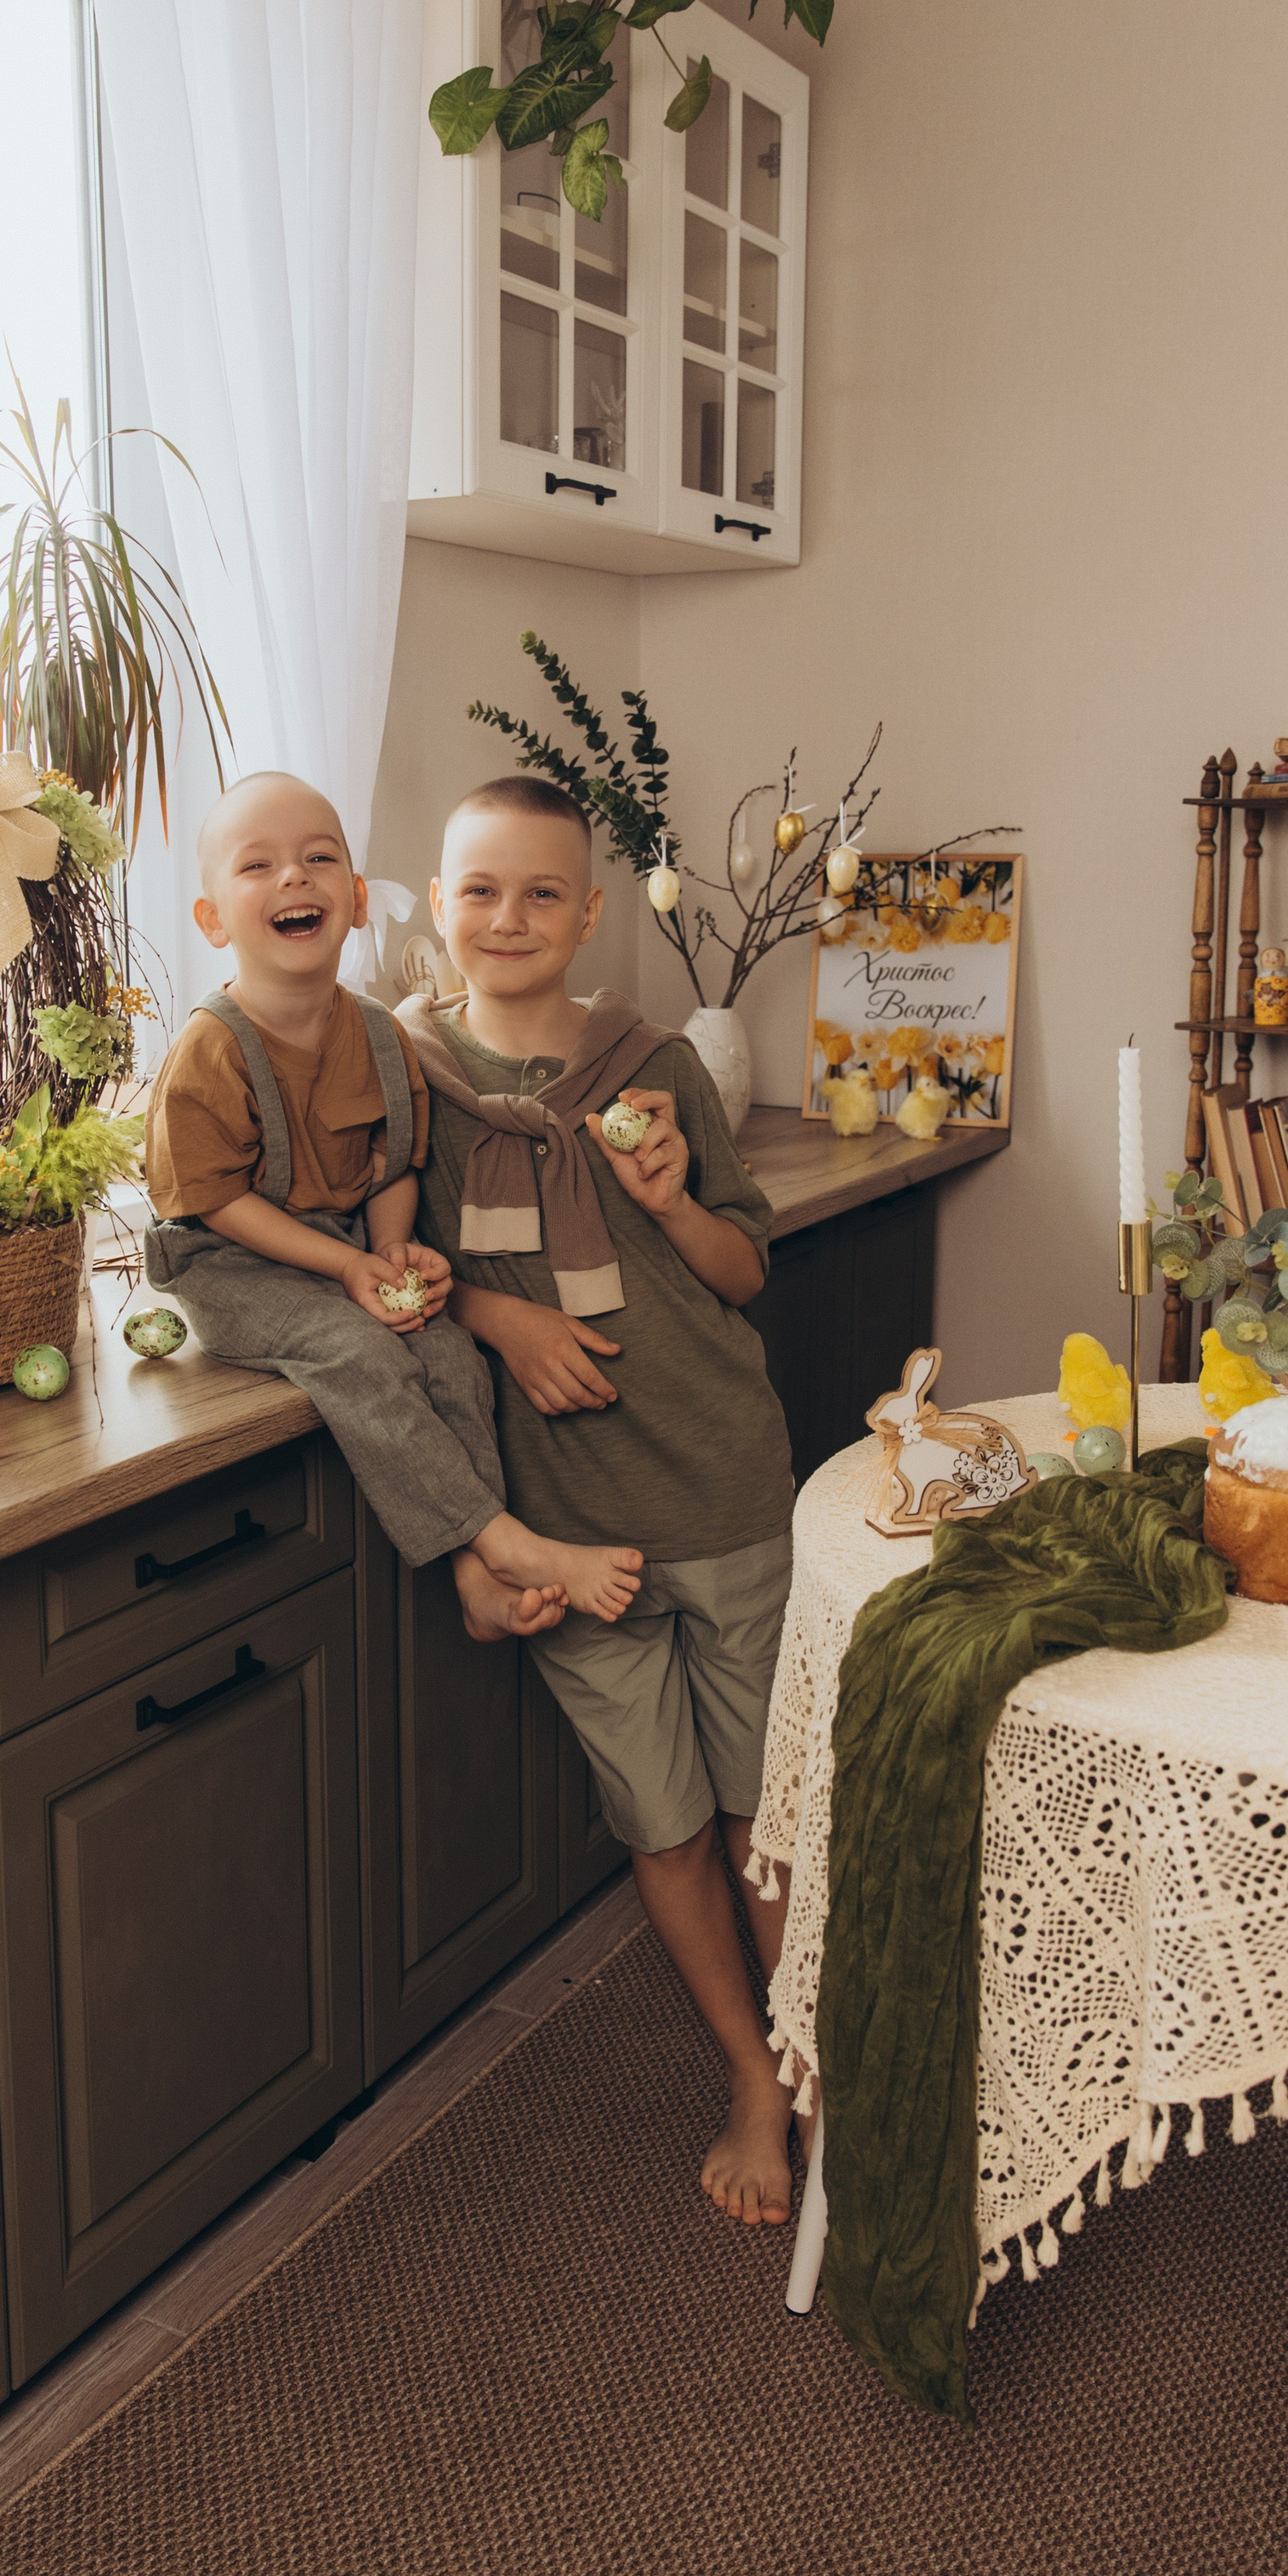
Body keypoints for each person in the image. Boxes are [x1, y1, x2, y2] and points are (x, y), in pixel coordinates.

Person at [400, 776, 801, 2228]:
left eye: (540, 893)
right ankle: (751, 2072)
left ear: (590, 912)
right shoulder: (403, 1084)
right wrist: (505, 1326)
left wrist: (678, 1194)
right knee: (666, 1824)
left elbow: (743, 1272)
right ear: (438, 903)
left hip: (724, 1486)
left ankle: (820, 2063)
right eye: (479, 890)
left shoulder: (659, 1064)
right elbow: (392, 1288)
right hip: (570, 1528)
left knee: (768, 1816)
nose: (507, 918)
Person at [142, 772, 644, 1644]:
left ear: (358, 900)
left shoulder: (380, 1035)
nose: (294, 878)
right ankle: (504, 1543)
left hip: (344, 1251)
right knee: (358, 1355)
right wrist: (348, 1267)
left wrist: (394, 1249)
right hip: (230, 1268)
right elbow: (215, 1201)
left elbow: (393, 1166)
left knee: (448, 1354)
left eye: (319, 858)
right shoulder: (210, 1047)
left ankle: (472, 1576)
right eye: (257, 866)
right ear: (214, 919)